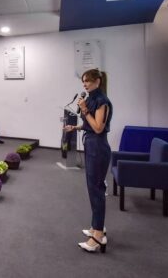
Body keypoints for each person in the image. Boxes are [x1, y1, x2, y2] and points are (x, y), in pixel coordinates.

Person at [64, 69, 113, 253]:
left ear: (98, 81)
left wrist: (84, 109)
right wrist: (75, 126)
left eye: (88, 81)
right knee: (93, 189)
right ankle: (96, 226)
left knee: (97, 190)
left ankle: (98, 236)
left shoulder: (102, 101)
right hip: (91, 145)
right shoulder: (91, 98)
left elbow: (98, 128)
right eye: (83, 81)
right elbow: (88, 125)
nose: (84, 84)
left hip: (98, 148)